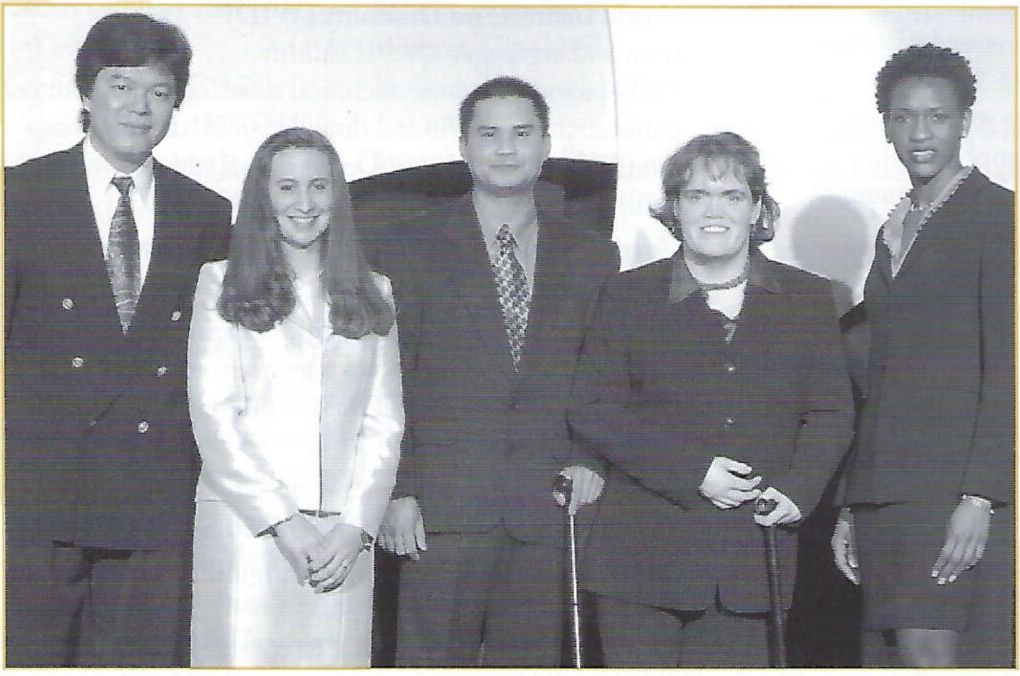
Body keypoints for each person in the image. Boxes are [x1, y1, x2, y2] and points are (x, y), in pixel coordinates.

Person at [568, 132, 854, 667]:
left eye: (732, 195)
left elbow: (831, 411)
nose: (714, 211)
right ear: (674, 208)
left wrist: (796, 488)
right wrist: (692, 470)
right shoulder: (627, 295)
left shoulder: (807, 298)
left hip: (751, 559)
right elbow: (593, 409)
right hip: (639, 562)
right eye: (697, 196)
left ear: (757, 209)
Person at [3, 13, 231, 667]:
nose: (139, 107)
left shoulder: (207, 213)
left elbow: (214, 368)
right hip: (41, 504)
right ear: (86, 93)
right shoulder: (19, 196)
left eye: (159, 92)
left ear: (176, 104)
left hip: (153, 504)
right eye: (121, 85)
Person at [374, 76, 619, 666]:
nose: (505, 148)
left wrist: (589, 458)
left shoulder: (591, 254)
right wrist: (397, 490)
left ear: (545, 143)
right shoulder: (404, 248)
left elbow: (604, 373)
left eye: (521, 133)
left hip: (547, 509)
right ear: (463, 146)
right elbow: (384, 380)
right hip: (439, 510)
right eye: (489, 134)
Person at [186, 127, 403, 667]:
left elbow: (384, 423)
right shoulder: (219, 283)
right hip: (248, 530)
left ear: (338, 196)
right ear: (263, 196)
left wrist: (357, 527)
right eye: (286, 188)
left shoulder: (376, 291)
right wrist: (283, 521)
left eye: (318, 187)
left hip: (342, 544)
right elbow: (215, 416)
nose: (304, 204)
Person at [831, 44, 1014, 668]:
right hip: (886, 496)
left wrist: (982, 496)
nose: (920, 132)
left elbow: (1009, 367)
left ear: (965, 120)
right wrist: (854, 505)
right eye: (904, 117)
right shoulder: (894, 228)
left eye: (936, 116)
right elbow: (879, 381)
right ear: (886, 125)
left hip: (953, 495)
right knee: (886, 660)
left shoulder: (999, 217)